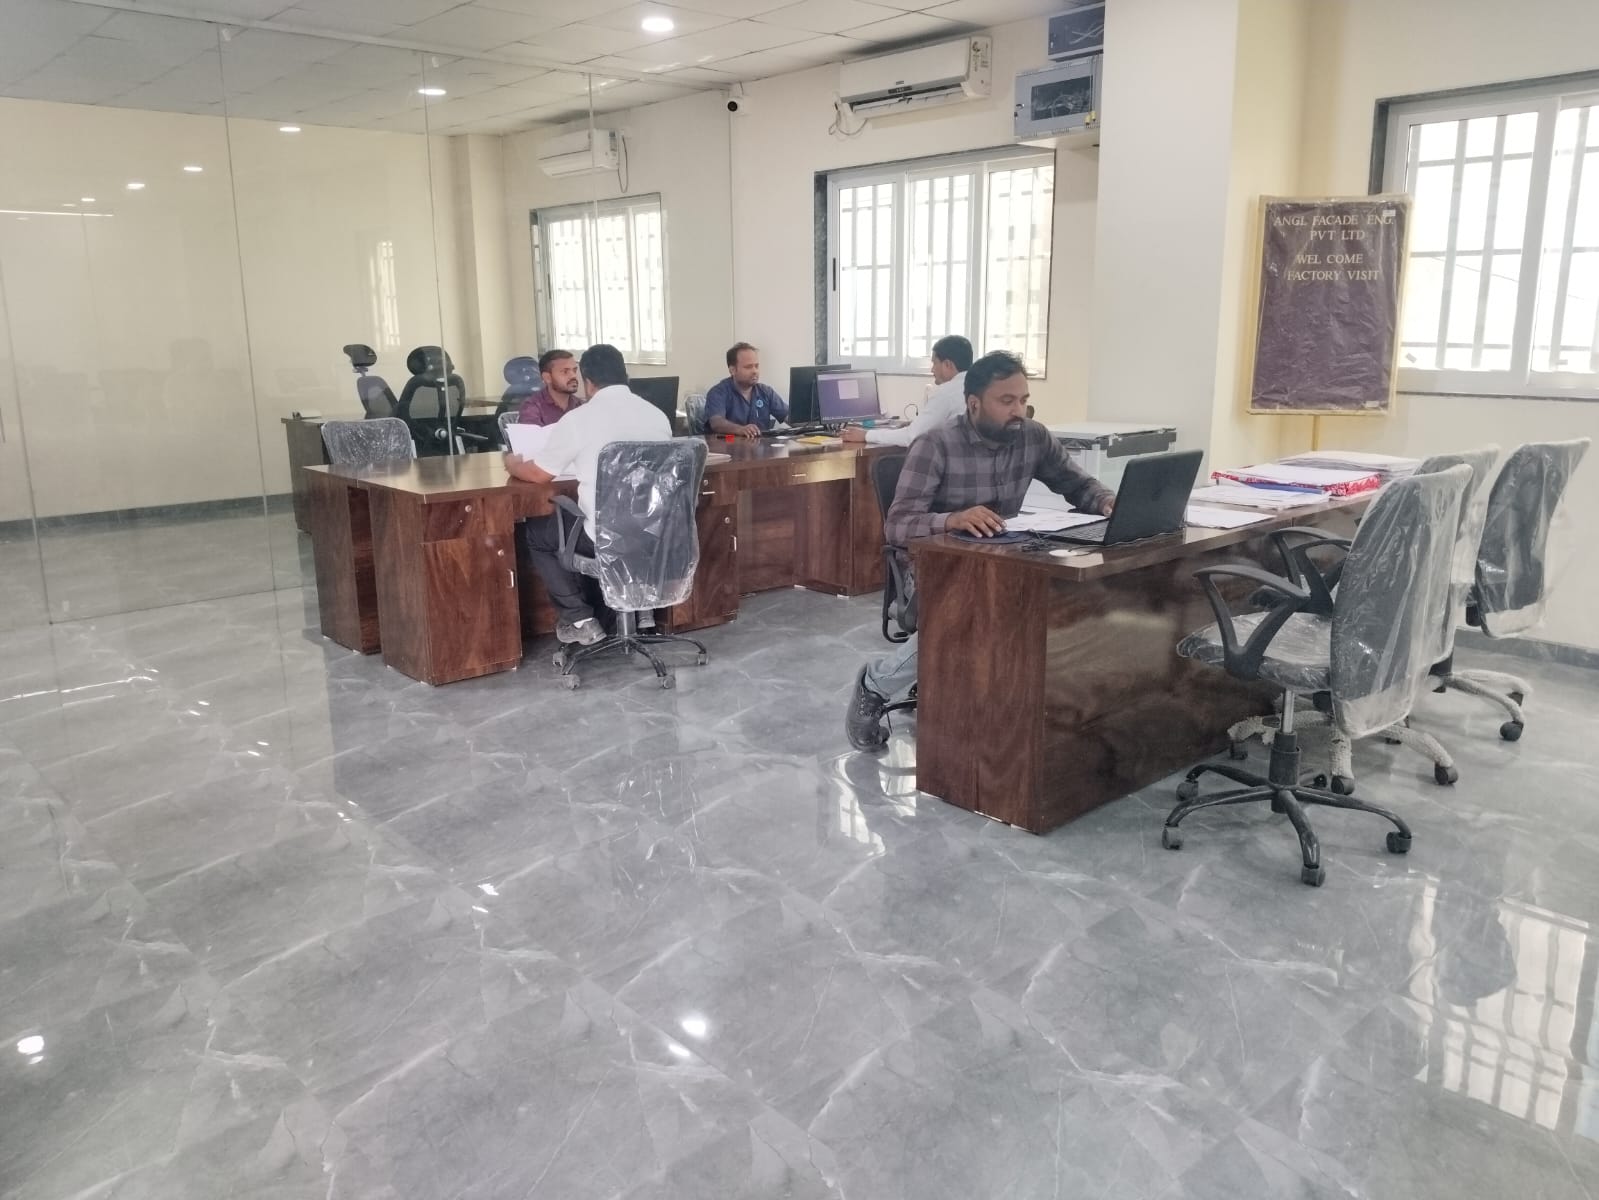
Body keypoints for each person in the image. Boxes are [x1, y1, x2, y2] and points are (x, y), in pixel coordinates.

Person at [845, 350, 1116, 750]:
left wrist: (1107, 501)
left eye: (1023, 400)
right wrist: (951, 519)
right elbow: (897, 524)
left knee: (1064, 599)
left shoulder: (1032, 436)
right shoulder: (935, 445)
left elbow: (1078, 485)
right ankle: (875, 683)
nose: (1018, 410)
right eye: (1006, 401)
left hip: (1004, 558)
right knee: (971, 610)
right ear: (974, 404)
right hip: (933, 566)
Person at [505, 344, 672, 646]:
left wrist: (513, 464)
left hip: (605, 537)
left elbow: (539, 475)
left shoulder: (580, 419)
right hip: (653, 533)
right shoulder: (657, 416)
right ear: (625, 374)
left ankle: (580, 619)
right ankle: (630, 610)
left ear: (588, 381)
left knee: (537, 533)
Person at [841, 335, 972, 447]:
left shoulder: (946, 393)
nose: (932, 370)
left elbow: (911, 437)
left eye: (934, 363)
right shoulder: (973, 386)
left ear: (947, 364)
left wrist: (866, 435)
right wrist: (918, 424)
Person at [705, 342, 788, 437]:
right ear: (732, 370)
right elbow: (717, 423)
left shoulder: (766, 392)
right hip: (728, 441)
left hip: (761, 444)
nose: (755, 371)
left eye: (756, 366)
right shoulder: (718, 393)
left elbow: (790, 418)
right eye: (748, 367)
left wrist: (802, 421)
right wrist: (740, 429)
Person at [518, 349, 582, 426]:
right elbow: (531, 433)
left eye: (574, 370)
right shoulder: (532, 407)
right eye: (565, 372)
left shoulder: (580, 405)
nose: (573, 376)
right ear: (547, 378)